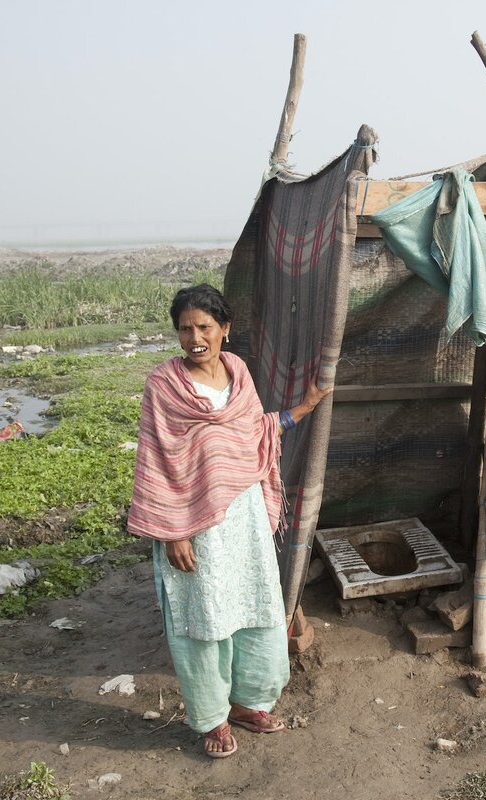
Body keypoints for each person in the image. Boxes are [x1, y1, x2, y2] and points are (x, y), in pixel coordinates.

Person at [127, 284, 330, 760]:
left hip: (244, 518)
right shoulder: (164, 385)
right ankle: (212, 717)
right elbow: (156, 458)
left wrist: (305, 407)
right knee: (205, 618)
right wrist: (173, 531)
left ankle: (247, 703)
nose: (194, 337)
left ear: (225, 330)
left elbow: (255, 431)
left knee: (253, 607)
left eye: (204, 327)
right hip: (193, 524)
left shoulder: (238, 372)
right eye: (184, 328)